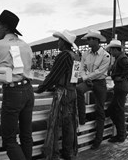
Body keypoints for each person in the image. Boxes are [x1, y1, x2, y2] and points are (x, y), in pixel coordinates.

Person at [0, 10, 34, 160]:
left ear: (5, 28)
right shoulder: (26, 46)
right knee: (26, 135)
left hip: (13, 92)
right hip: (28, 90)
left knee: (9, 139)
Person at [35, 30, 79, 160]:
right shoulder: (75, 56)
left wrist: (41, 88)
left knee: (54, 124)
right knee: (69, 124)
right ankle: (68, 152)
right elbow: (74, 77)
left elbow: (53, 75)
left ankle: (54, 154)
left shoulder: (64, 56)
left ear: (64, 43)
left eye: (59, 40)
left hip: (63, 93)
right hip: (72, 91)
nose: (57, 42)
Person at [76, 29, 110, 150]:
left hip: (99, 82)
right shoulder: (86, 54)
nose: (88, 41)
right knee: (78, 90)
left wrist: (85, 77)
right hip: (90, 80)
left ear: (96, 40)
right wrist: (86, 77)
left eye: (90, 39)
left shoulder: (106, 55)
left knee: (99, 110)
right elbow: (82, 67)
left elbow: (99, 72)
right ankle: (82, 116)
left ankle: (98, 139)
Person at [105, 39, 128, 143]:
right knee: (116, 110)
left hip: (121, 86)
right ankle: (121, 134)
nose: (111, 52)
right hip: (121, 87)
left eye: (111, 50)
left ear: (115, 49)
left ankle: (121, 135)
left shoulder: (122, 58)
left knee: (116, 111)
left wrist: (121, 77)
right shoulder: (119, 58)